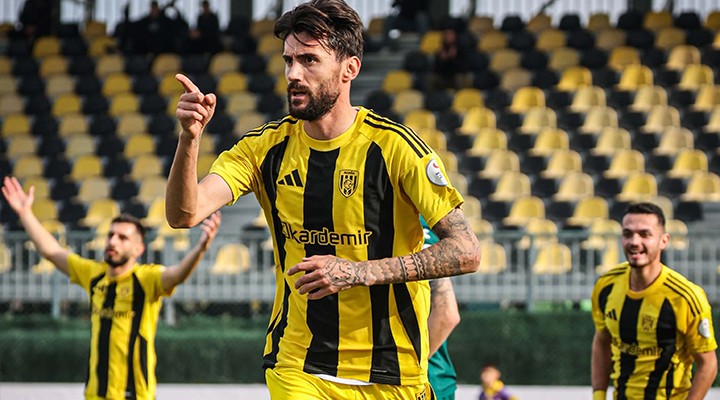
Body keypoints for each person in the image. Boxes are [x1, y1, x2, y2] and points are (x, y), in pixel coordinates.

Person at [168, 0, 481, 398]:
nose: (293, 74)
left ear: (349, 68)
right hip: (299, 367)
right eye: (289, 60)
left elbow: (467, 251)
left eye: (309, 60)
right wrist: (189, 140)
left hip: (394, 372)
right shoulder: (263, 149)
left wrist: (357, 272)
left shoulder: (396, 149)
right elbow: (184, 213)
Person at [1, 176, 221, 400]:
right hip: (96, 395)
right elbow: (52, 251)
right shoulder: (94, 275)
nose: (113, 241)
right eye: (110, 235)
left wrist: (201, 248)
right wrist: (25, 214)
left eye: (122, 238)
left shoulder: (146, 279)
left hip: (136, 395)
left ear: (138, 249)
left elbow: (177, 275)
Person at [591, 202, 717, 400]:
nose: (634, 241)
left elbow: (708, 364)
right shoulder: (606, 286)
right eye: (627, 234)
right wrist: (598, 395)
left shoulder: (685, 297)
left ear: (663, 241)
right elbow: (601, 340)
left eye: (645, 234)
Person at [423, 217, 460, 400]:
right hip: (435, 378)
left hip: (421, 380)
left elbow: (447, 315)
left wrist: (410, 365)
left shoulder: (415, 229)